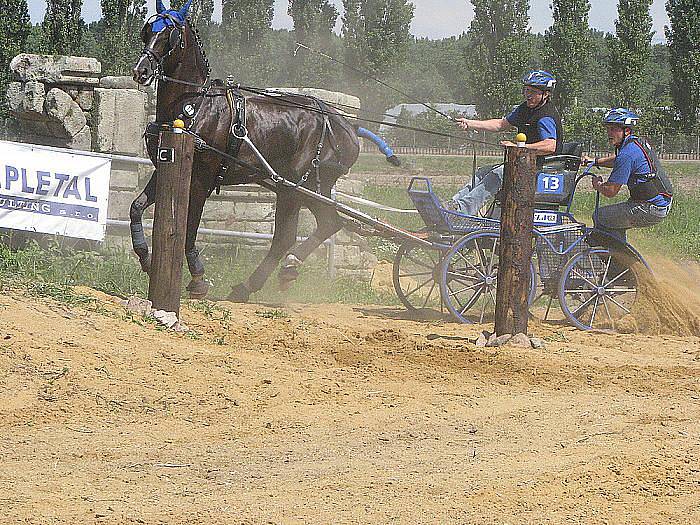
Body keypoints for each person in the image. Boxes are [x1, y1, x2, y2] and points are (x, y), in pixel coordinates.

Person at [450, 70, 563, 215]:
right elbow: (500, 124)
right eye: (526, 90)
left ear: (545, 94)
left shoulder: (545, 116)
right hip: (524, 163)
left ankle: (462, 211)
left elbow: (550, 146)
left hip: (541, 167)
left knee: (500, 172)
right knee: (482, 172)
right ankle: (454, 204)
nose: (528, 95)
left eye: (533, 92)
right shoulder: (525, 109)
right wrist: (470, 123)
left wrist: (518, 147)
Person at [584, 108, 673, 244]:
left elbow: (611, 191)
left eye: (614, 129)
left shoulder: (627, 154)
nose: (609, 133)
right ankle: (619, 257)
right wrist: (595, 161)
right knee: (613, 220)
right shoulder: (636, 144)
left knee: (600, 216)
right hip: (660, 203)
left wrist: (598, 185)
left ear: (626, 130)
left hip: (649, 208)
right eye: (608, 129)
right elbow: (618, 160)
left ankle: (617, 260)